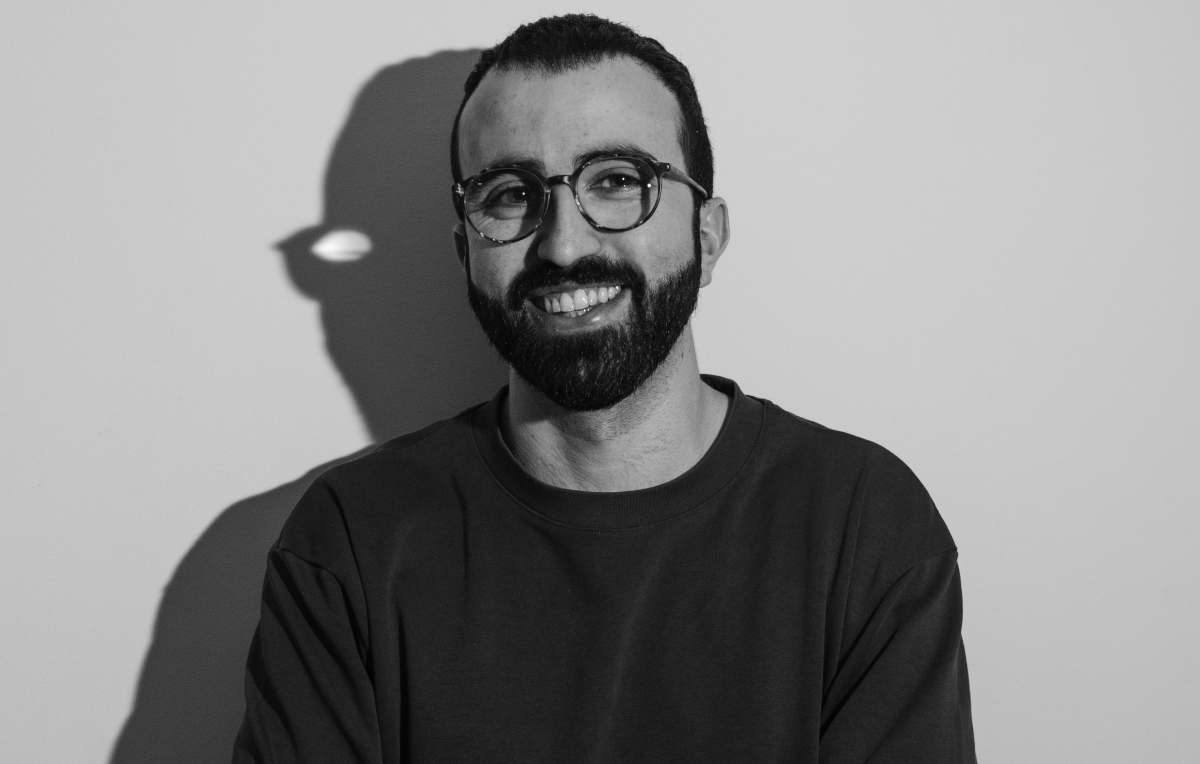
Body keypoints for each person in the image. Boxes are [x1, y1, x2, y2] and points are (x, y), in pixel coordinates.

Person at [233, 14, 975, 763]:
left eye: (618, 182)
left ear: (707, 235)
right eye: (510, 194)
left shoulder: (862, 525)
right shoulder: (352, 542)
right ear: (466, 253)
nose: (564, 244)